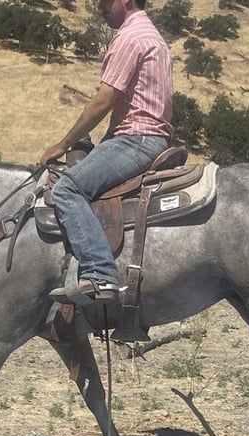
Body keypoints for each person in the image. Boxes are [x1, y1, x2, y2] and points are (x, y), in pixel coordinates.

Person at [39, 0, 174, 305]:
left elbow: (104, 100)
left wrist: (62, 144)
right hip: (150, 138)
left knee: (67, 189)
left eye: (104, 1)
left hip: (136, 140)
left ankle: (100, 274)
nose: (99, 6)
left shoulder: (130, 38)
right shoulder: (153, 36)